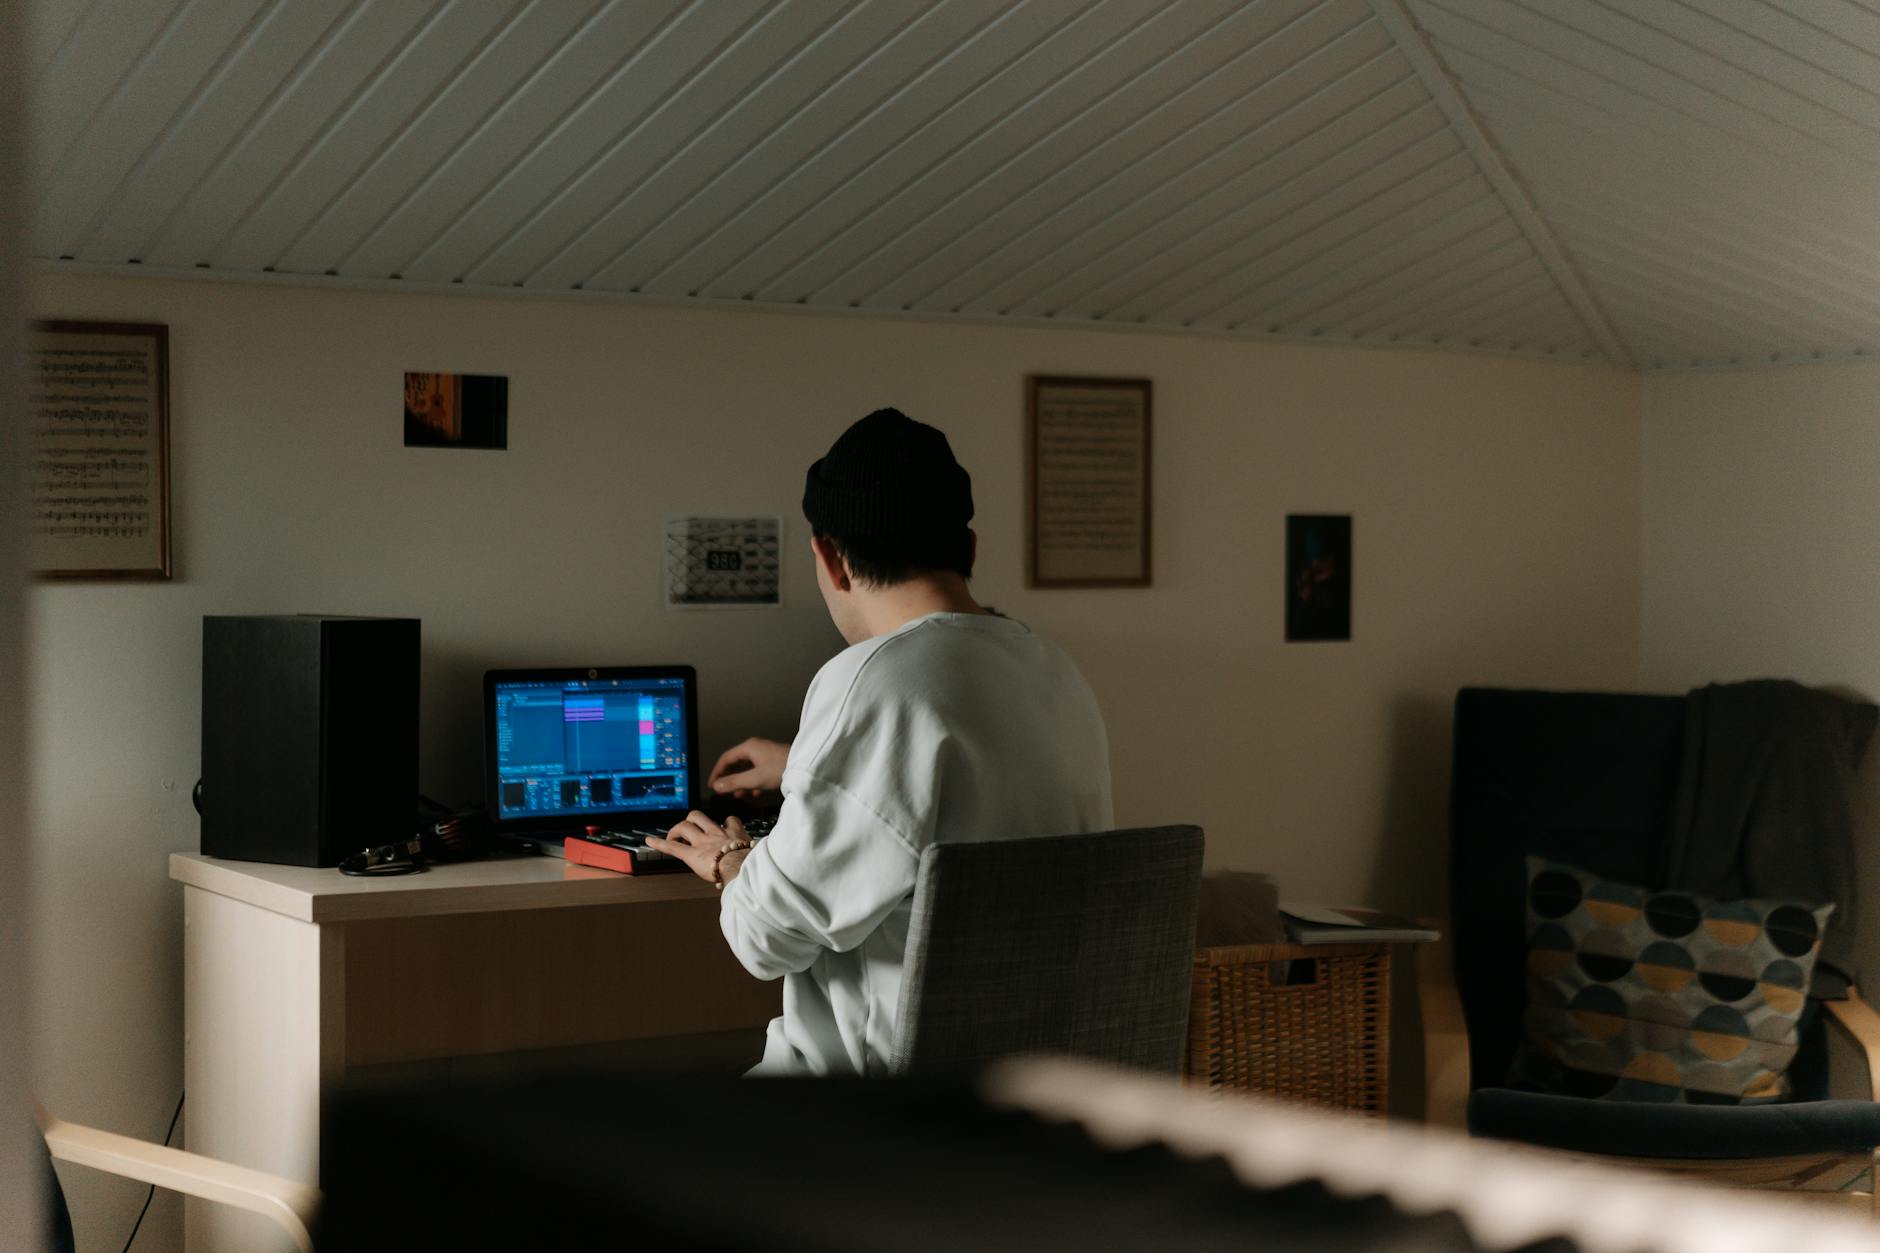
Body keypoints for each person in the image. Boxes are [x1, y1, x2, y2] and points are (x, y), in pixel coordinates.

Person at [647, 408, 1113, 1075]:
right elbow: (963, 792)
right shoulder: (1054, 671)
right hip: (1024, 1100)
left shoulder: (873, 681)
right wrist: (806, 764)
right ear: (970, 549)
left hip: (873, 1105)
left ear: (830, 558)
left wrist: (730, 859)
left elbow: (764, 939)